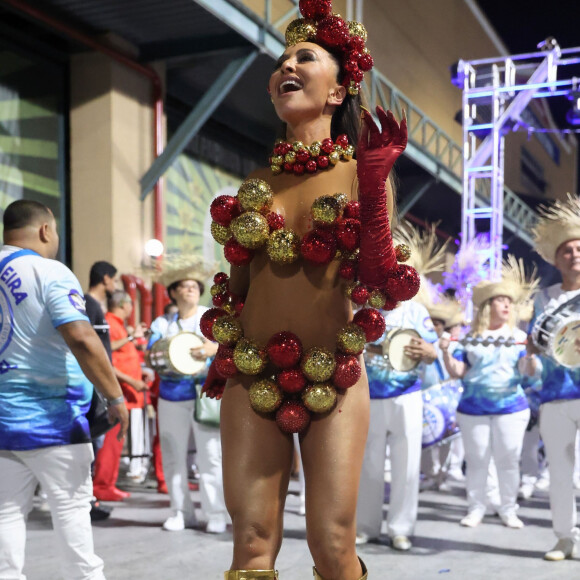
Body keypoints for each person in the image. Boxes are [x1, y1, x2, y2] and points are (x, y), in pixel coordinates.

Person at [201, 3, 419, 576]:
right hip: (252, 375)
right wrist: (222, 355)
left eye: (304, 57)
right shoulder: (255, 184)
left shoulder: (360, 173)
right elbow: (239, 288)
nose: (286, 67)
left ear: (339, 89)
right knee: (249, 540)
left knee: (331, 541)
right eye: (280, 61)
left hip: (335, 377)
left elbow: (380, 285)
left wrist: (372, 191)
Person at [0, 199, 129, 580]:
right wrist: (115, 396)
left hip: (3, 423)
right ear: (44, 230)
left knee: (5, 515)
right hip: (54, 422)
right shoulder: (48, 271)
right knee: (72, 511)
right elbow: (82, 337)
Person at [440, 259, 537, 530]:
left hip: (512, 407)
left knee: (508, 460)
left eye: (509, 301)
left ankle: (508, 509)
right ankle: (476, 508)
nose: (506, 305)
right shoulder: (470, 337)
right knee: (477, 460)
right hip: (473, 408)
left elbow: (528, 373)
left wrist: (530, 356)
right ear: (488, 306)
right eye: (500, 300)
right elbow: (459, 370)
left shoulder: (519, 336)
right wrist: (446, 351)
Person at [148, 261, 225, 533]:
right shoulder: (162, 323)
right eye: (185, 286)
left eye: (195, 286)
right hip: (171, 395)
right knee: (172, 454)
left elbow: (228, 345)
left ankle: (215, 512)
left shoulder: (209, 317)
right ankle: (180, 511)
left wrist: (212, 348)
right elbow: (153, 354)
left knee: (211, 455)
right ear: (174, 292)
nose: (191, 290)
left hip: (205, 393)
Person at [357, 298, 437, 550]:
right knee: (369, 464)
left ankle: (401, 529)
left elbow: (432, 352)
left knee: (408, 464)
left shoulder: (417, 311)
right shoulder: (364, 311)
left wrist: (430, 352)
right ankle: (365, 527)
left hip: (407, 395)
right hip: (370, 395)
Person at [525, 194, 580, 560]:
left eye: (579, 248)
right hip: (555, 394)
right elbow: (535, 344)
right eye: (567, 250)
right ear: (556, 258)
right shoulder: (544, 298)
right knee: (559, 470)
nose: (574, 255)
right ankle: (564, 538)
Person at [92, 291, 150, 500]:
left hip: (125, 393)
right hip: (118, 394)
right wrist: (132, 381)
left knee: (116, 442)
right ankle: (102, 485)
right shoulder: (109, 323)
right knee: (111, 441)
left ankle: (107, 483)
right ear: (125, 305)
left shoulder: (115, 324)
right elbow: (106, 359)